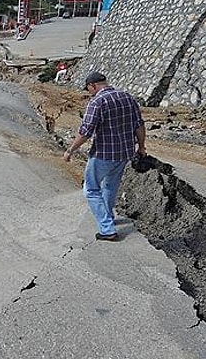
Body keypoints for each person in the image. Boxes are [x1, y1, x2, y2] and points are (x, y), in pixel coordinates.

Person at [63, 71, 146, 241]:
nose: (89, 93)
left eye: (89, 89)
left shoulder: (97, 102)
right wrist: (142, 147)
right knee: (110, 186)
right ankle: (108, 216)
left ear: (92, 86)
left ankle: (107, 230)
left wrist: (70, 150)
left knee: (91, 189)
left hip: (103, 154)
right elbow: (139, 125)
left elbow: (85, 132)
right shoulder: (127, 97)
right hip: (125, 153)